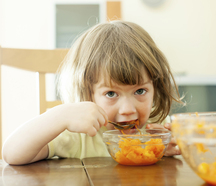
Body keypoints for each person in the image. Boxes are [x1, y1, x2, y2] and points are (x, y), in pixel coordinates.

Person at [2, 20, 182, 165]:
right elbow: (11, 154)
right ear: (88, 93)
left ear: (155, 88)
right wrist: (59, 117)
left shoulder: (155, 128)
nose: (127, 109)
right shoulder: (76, 134)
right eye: (111, 94)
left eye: (140, 91)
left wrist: (167, 150)